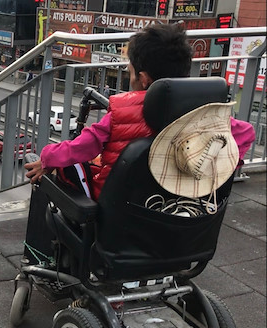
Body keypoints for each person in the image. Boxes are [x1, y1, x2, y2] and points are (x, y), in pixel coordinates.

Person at [22, 23, 256, 265]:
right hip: (178, 213)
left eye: (130, 71)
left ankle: (48, 258)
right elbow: (246, 134)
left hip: (121, 215)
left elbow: (83, 146)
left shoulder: (121, 112)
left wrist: (47, 158)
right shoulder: (209, 115)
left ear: (143, 79)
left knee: (67, 169)